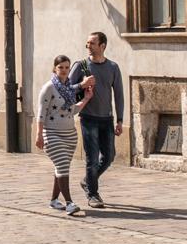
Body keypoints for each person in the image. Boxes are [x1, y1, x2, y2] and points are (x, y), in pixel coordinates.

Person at [76, 31, 124, 209]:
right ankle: (93, 194)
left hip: (107, 119)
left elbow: (118, 94)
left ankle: (87, 181)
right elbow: (67, 89)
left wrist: (120, 120)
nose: (88, 46)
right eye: (87, 43)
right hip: (88, 118)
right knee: (92, 159)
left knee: (109, 156)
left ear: (102, 46)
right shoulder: (81, 66)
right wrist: (82, 84)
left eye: (92, 43)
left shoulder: (113, 67)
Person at [34, 55, 86, 216]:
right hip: (52, 134)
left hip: (70, 135)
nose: (64, 70)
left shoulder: (69, 88)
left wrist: (86, 98)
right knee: (62, 165)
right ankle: (69, 203)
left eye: (66, 67)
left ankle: (54, 200)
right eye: (60, 67)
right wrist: (39, 135)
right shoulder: (49, 88)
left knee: (61, 167)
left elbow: (73, 110)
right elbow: (41, 113)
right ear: (54, 69)